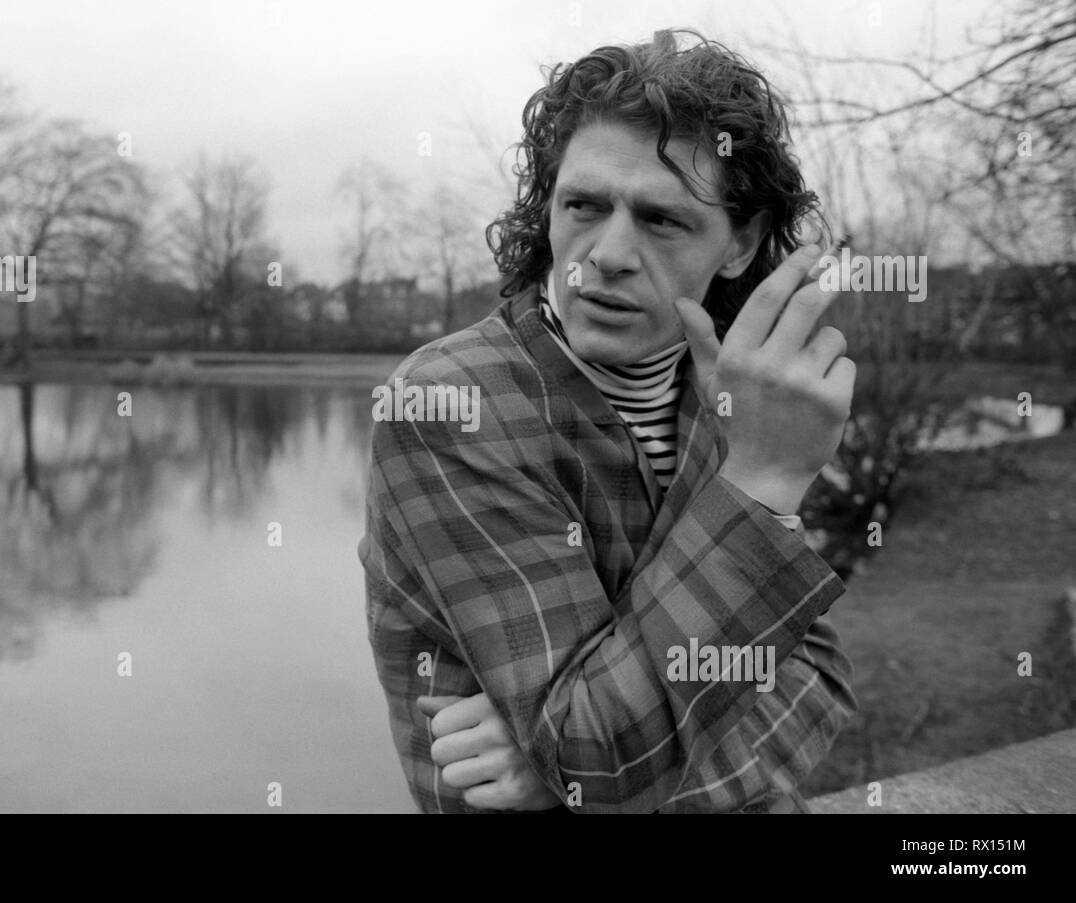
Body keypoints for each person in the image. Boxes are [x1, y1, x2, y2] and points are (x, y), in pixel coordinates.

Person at [358, 28, 857, 813]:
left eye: (662, 220)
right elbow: (595, 753)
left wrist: (563, 774)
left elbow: (820, 681)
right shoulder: (451, 405)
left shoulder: (733, 397)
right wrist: (759, 485)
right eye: (584, 205)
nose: (605, 255)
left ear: (743, 243)